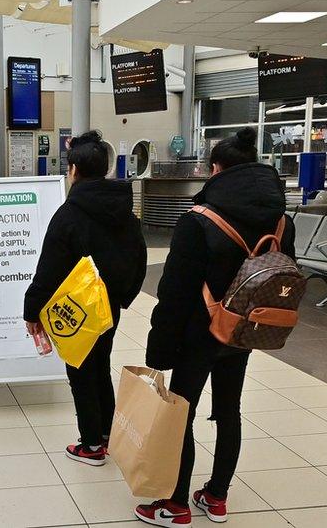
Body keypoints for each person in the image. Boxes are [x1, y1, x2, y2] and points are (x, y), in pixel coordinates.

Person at [134, 128, 296, 526]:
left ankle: (175, 505)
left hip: (197, 333)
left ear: (217, 170)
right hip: (245, 330)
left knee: (181, 414)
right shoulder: (281, 219)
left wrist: (160, 348)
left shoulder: (199, 220)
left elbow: (174, 290)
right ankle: (217, 496)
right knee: (230, 410)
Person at [24, 130, 147, 466]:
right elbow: (139, 257)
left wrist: (31, 310)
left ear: (74, 170)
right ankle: (106, 432)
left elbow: (49, 269)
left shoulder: (69, 215)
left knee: (80, 371)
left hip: (76, 310)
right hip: (109, 308)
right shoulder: (125, 211)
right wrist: (124, 296)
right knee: (100, 366)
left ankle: (91, 444)